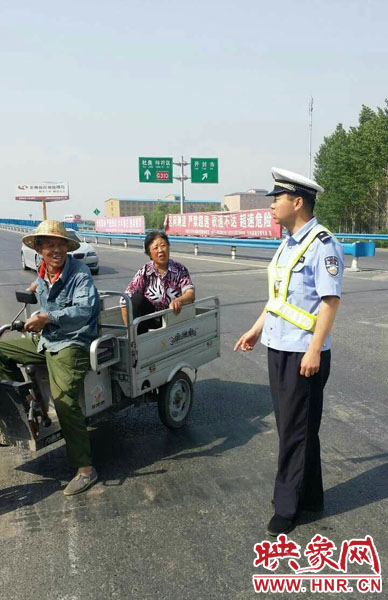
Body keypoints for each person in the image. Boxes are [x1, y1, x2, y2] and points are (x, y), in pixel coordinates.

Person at [234, 168, 344, 536]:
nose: (271, 205)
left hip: (303, 353)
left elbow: (329, 302)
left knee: (294, 432)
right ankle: (310, 496)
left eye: (276, 199)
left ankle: (286, 507)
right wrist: (255, 329)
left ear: (297, 202)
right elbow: (277, 300)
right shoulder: (288, 244)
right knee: (297, 427)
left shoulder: (322, 244)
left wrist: (314, 350)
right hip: (278, 347)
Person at [0, 220, 100, 496]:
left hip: (73, 341)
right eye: (50, 245)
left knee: (65, 400)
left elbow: (84, 309)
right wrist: (34, 292)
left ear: (67, 248)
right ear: (40, 249)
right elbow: (39, 289)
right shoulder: (42, 273)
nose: (56, 250)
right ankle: (27, 401)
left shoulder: (79, 274)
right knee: (1, 350)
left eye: (61, 245)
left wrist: (48, 318)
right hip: (46, 339)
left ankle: (85, 469)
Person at [121, 231, 195, 331]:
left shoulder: (179, 269)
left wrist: (179, 301)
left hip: (174, 319)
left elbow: (190, 294)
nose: (160, 250)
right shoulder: (145, 272)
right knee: (135, 299)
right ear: (149, 253)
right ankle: (139, 338)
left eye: (163, 245)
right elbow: (125, 300)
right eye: (155, 248)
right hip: (151, 321)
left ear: (168, 247)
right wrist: (130, 333)